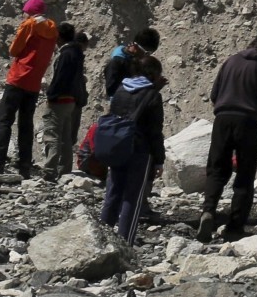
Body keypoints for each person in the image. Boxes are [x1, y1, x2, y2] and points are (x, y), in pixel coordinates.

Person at [197, 37, 257, 240]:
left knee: (217, 168)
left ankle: (208, 210)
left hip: (222, 119)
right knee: (245, 172)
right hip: (248, 122)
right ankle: (234, 226)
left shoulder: (231, 61)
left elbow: (214, 94)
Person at [99, 55, 165, 242]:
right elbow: (154, 131)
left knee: (113, 193)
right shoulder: (153, 95)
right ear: (153, 74)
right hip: (140, 150)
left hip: (118, 146)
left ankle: (102, 237)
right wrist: (159, 159)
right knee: (132, 198)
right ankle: (125, 242)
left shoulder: (121, 89)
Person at [0, 0, 56, 176]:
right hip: (34, 83)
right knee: (26, 124)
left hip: (18, 78)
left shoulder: (29, 24)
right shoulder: (52, 28)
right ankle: (24, 165)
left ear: (30, 11)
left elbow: (14, 50)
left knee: (5, 120)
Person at [42, 24, 87, 175]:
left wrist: (51, 96)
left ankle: (49, 169)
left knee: (52, 134)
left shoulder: (65, 54)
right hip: (71, 100)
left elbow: (60, 78)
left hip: (59, 99)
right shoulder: (76, 53)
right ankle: (64, 169)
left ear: (59, 37)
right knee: (66, 137)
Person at [102, 27, 161, 102]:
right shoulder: (117, 62)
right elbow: (111, 90)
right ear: (136, 46)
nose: (147, 56)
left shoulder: (135, 60)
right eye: (147, 53)